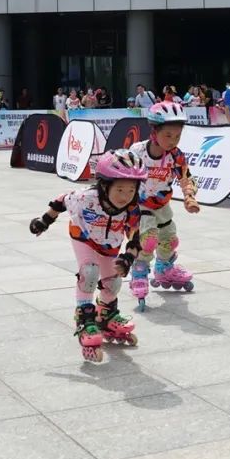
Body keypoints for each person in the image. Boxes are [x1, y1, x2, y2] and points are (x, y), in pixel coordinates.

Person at [28, 149, 148, 362]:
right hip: (83, 235)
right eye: (119, 189)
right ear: (104, 185)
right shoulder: (86, 198)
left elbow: (135, 239)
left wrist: (127, 259)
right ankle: (85, 318)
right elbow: (62, 200)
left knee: (112, 282)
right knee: (89, 273)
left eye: (131, 190)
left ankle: (106, 314)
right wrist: (45, 220)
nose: (125, 196)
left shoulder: (131, 208)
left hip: (110, 242)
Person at [123, 103, 200, 312]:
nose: (173, 141)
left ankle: (164, 268)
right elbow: (123, 178)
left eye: (177, 136)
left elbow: (186, 177)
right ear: (154, 132)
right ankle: (139, 271)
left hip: (162, 203)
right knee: (148, 240)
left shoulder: (176, 155)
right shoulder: (137, 152)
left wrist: (189, 197)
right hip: (139, 204)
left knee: (169, 239)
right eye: (168, 135)